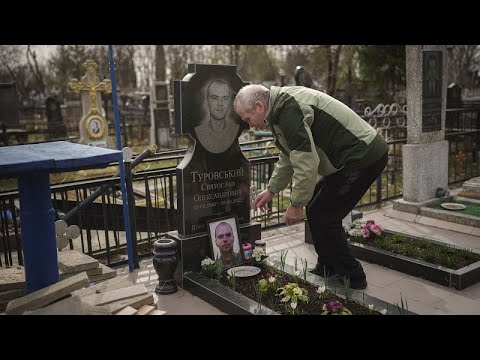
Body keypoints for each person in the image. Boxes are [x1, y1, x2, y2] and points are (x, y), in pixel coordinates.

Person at [234, 84, 389, 289]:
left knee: (324, 214)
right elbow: (289, 155)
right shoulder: (280, 110)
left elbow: (306, 161)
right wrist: (271, 190)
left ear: (259, 106)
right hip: (351, 159)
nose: (250, 125)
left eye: (247, 118)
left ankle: (353, 275)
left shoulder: (288, 109)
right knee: (317, 207)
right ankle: (328, 266)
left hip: (363, 156)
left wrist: (296, 204)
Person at [194, 79, 239, 154]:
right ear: (207, 102)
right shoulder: (199, 132)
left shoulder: (235, 129)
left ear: (230, 102)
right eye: (215, 98)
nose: (220, 103)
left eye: (225, 98)